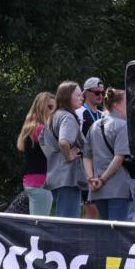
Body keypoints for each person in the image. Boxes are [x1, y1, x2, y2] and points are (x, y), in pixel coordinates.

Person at [83, 87, 132, 221]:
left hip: (97, 190)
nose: (130, 106)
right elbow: (119, 157)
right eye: (127, 103)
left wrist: (91, 178)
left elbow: (86, 156)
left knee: (106, 231)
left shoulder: (94, 126)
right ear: (116, 106)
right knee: (117, 232)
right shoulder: (122, 126)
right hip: (117, 188)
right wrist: (103, 180)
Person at [42, 81, 85, 218]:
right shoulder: (68, 117)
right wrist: (68, 156)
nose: (82, 98)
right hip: (68, 178)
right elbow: (64, 142)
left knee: (62, 219)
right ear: (67, 97)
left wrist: (55, 157)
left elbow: (42, 141)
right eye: (78, 95)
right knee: (69, 223)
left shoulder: (53, 116)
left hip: (55, 175)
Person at [16, 91, 55, 215]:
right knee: (39, 225)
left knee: (35, 223)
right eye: (50, 107)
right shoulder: (41, 129)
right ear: (41, 107)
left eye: (55, 107)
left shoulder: (30, 127)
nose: (53, 111)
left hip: (30, 181)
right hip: (41, 183)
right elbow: (52, 155)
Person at [76, 77, 104, 219]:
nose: (101, 96)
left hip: (99, 165)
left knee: (97, 209)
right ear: (86, 93)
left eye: (102, 93)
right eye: (96, 93)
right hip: (83, 165)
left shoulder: (102, 115)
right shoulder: (79, 112)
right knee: (91, 209)